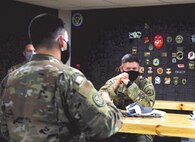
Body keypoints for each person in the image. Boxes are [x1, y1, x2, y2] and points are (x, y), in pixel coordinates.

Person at [0, 13, 123, 142]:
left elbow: (4, 129)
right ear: (62, 42)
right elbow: (104, 126)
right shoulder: (68, 77)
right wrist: (108, 102)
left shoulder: (10, 79)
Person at [99, 54, 156, 142]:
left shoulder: (146, 84)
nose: (131, 71)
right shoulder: (113, 81)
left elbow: (148, 106)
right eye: (128, 69)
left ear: (139, 69)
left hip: (140, 126)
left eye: (134, 69)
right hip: (118, 125)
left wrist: (130, 85)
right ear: (122, 69)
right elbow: (98, 101)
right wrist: (114, 86)